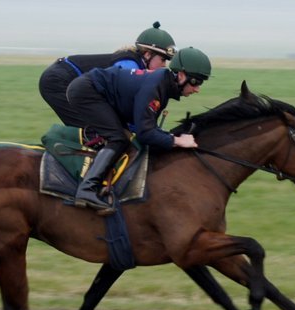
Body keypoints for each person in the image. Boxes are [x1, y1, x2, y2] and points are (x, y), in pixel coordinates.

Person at [66, 46, 212, 210]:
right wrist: (177, 141)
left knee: (126, 139)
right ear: (182, 75)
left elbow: (148, 128)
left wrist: (169, 138)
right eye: (196, 82)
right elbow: (145, 134)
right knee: (119, 139)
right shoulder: (156, 86)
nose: (197, 89)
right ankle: (86, 189)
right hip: (87, 91)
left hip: (97, 91)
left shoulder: (162, 85)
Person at [39, 21, 176, 127]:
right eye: (163, 60)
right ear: (147, 54)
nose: (164, 66)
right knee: (97, 130)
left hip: (65, 77)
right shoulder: (129, 65)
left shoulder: (135, 64)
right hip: (58, 80)